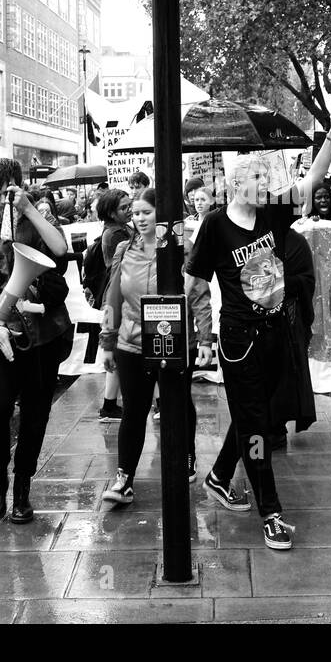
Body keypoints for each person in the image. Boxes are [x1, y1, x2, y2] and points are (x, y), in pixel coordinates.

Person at [184, 112, 331, 550]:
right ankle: (271, 513)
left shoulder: (272, 215)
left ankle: (219, 476)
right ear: (239, 184)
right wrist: (199, 337)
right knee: (256, 426)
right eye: (260, 177)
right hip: (238, 340)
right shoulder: (215, 226)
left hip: (276, 334)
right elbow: (194, 283)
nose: (268, 183)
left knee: (256, 415)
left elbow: (312, 181)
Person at [0, 157, 73, 522]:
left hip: (44, 337)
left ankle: (22, 485)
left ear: (19, 186)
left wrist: (26, 208)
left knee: (36, 415)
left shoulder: (40, 220)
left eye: (3, 193)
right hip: (4, 334)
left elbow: (59, 250)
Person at [100, 188, 214, 504]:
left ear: (160, 215)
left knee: (178, 402)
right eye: (134, 213)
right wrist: (108, 342)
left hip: (175, 342)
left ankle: (188, 456)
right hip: (131, 342)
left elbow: (199, 296)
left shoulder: (182, 249)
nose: (138, 218)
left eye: (145, 212)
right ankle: (124, 479)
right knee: (134, 411)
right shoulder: (124, 249)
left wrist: (206, 338)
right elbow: (113, 298)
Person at [92, 187, 132, 422]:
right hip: (118, 299)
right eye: (124, 208)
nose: (129, 211)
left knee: (116, 353)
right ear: (111, 212)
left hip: (120, 297)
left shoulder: (122, 229)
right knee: (115, 351)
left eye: (130, 206)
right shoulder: (114, 235)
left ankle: (109, 405)